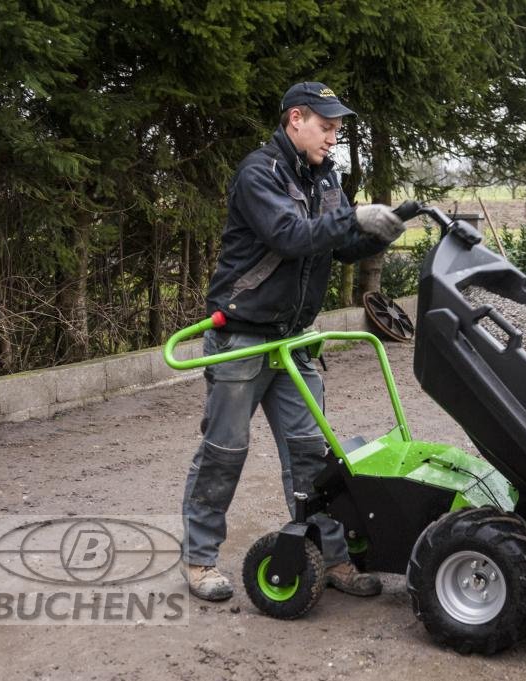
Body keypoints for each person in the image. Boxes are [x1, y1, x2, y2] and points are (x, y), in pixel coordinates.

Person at [180, 82, 405, 601]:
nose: (332, 139)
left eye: (337, 130)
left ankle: (329, 559)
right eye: (325, 128)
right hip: (242, 338)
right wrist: (352, 217)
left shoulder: (324, 178)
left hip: (294, 341)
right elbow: (291, 235)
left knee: (312, 458)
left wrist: (376, 232)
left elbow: (337, 245)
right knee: (223, 451)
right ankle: (199, 559)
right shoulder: (259, 173)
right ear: (295, 119)